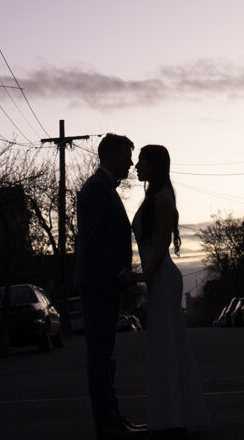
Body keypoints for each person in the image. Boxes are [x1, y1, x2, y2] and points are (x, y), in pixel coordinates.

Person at [74, 133, 148, 440]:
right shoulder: (96, 189)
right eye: (127, 156)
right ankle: (108, 424)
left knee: (106, 357)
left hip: (104, 284)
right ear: (112, 156)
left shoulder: (104, 188)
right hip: (99, 284)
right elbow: (93, 238)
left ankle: (113, 418)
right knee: (100, 357)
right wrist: (118, 272)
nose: (131, 163)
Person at [133, 145, 209, 436]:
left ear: (154, 165)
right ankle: (172, 414)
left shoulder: (162, 198)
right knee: (165, 346)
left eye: (141, 161)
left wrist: (146, 274)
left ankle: (174, 417)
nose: (137, 166)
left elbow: (163, 240)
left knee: (167, 346)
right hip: (158, 279)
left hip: (163, 278)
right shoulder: (153, 196)